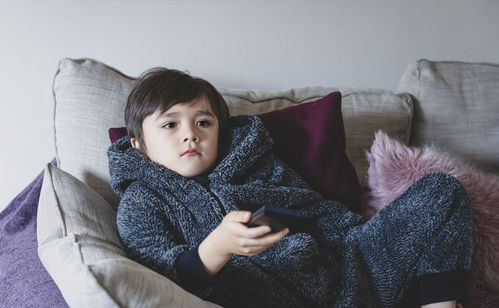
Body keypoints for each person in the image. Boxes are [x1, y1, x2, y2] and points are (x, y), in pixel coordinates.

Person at [107, 67, 472, 308]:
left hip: (347, 272)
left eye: (203, 122)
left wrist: (347, 239)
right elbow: (154, 271)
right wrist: (214, 249)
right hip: (263, 296)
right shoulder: (142, 201)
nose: (190, 133)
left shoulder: (256, 164)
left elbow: (320, 213)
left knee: (441, 190)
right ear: (139, 144)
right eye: (170, 125)